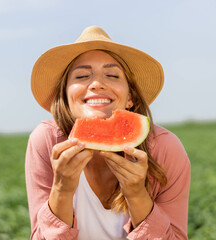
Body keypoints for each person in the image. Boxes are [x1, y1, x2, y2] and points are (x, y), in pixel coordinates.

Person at [25, 26, 190, 240]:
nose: (96, 84)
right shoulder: (47, 142)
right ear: (66, 96)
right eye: (82, 75)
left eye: (112, 75)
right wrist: (62, 190)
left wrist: (137, 194)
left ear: (130, 98)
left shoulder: (165, 148)